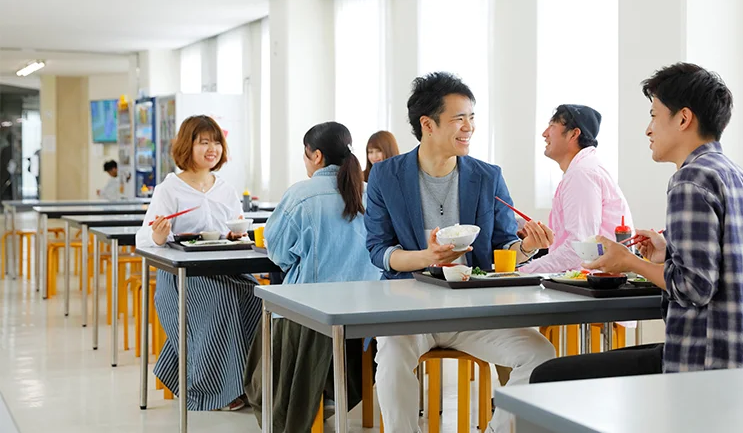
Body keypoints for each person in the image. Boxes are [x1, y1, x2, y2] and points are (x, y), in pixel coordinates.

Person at [531, 62, 743, 383]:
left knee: (548, 376)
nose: (648, 129)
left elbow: (693, 287)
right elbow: (721, 269)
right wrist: (667, 252)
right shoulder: (738, 176)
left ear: (683, 118)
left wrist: (629, 261)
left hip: (705, 365)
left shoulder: (689, 180)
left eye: (653, 115)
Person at [365, 72, 557, 433]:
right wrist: (427, 257)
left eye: (472, 118)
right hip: (407, 310)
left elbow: (504, 248)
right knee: (390, 359)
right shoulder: (386, 176)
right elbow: (379, 251)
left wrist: (527, 247)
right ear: (428, 124)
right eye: (459, 119)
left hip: (473, 311)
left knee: (540, 356)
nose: (469, 127)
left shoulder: (487, 176)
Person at [244, 122, 381, 432]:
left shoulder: (300, 195)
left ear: (316, 156)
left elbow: (279, 255)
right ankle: (334, 392)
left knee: (258, 356)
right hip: (368, 317)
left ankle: (317, 392)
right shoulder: (371, 193)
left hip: (309, 317)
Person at [136, 115, 257, 412]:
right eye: (204, 142)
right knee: (224, 300)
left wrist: (236, 234)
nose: (212, 148)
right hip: (183, 277)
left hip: (225, 269)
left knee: (258, 298)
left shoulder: (225, 189)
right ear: (186, 146)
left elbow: (237, 231)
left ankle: (247, 382)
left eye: (216, 142)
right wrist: (159, 235)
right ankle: (215, 389)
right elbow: (144, 238)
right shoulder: (169, 188)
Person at [520, 104, 633, 274]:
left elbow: (579, 250)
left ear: (574, 133)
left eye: (552, 126)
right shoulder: (584, 169)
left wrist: (522, 272)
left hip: (595, 284)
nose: (544, 133)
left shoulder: (582, 173)